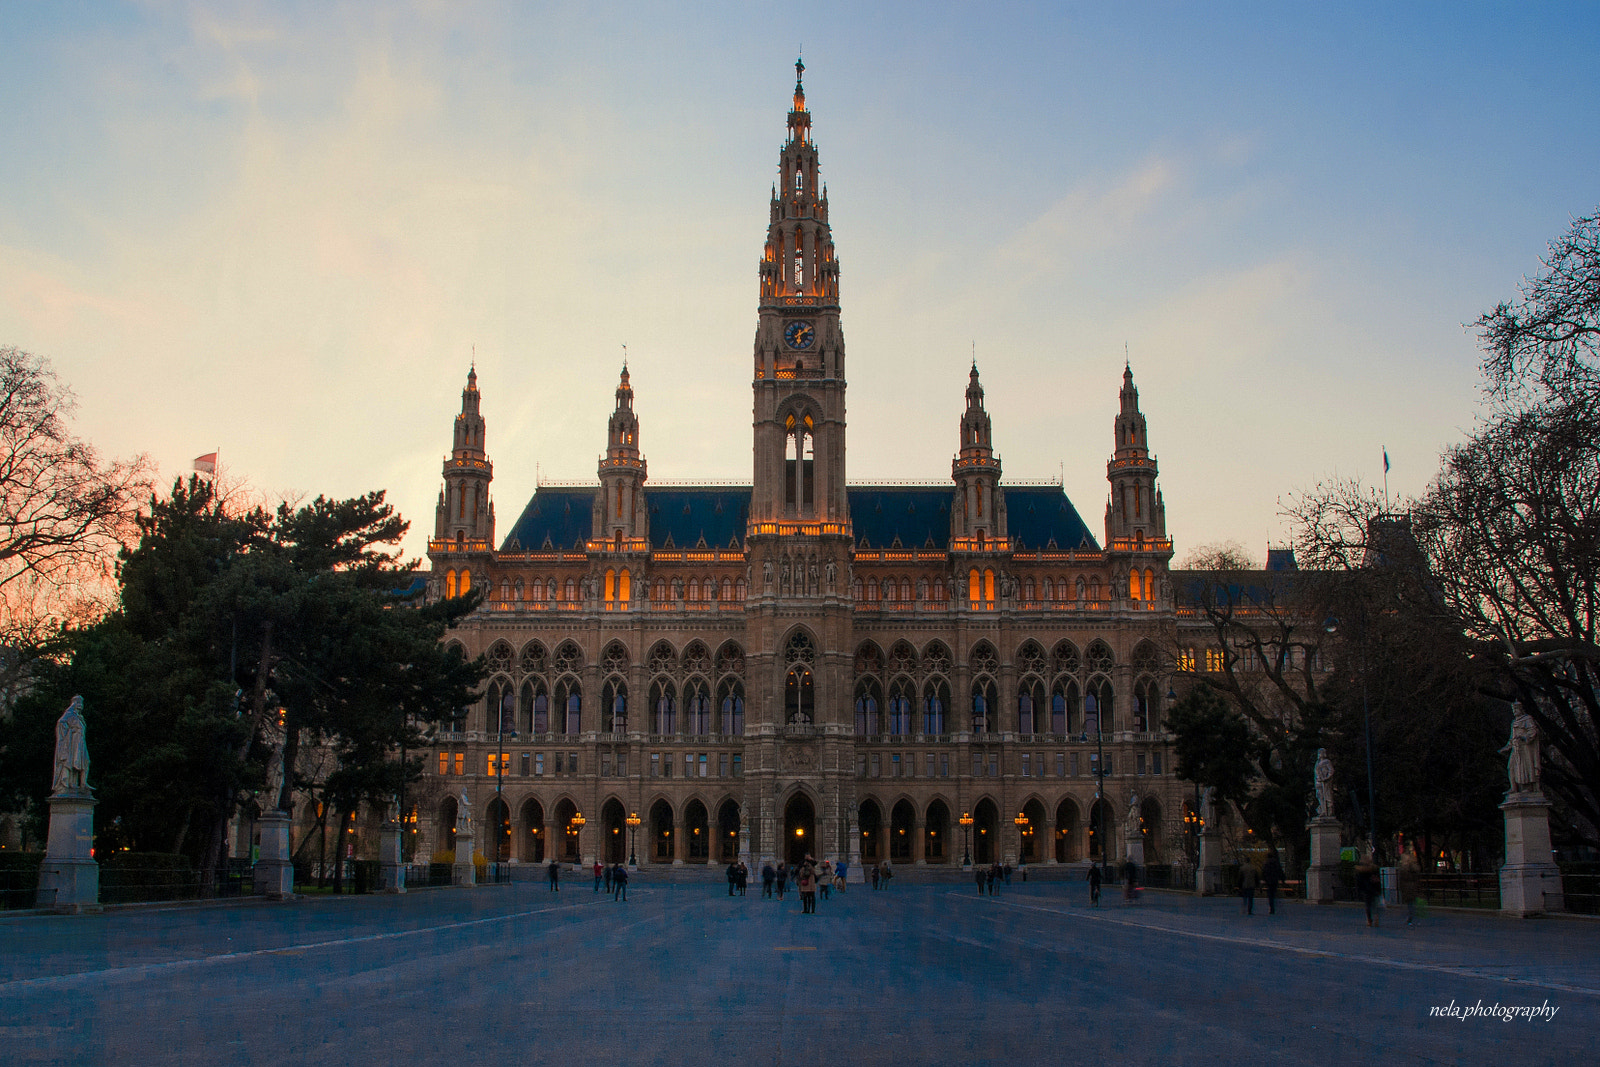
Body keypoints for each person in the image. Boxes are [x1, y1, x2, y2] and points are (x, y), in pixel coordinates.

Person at [1355, 856, 1382, 927]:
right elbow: (1377, 881)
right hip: (1373, 889)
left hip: (1366, 890)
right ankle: (1375, 918)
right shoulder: (1373, 869)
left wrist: (1359, 890)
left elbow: (1359, 882)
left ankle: (1369, 920)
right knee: (1374, 905)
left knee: (1368, 906)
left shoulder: (1360, 871)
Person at [1398, 851, 1423, 926]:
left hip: (1407, 888)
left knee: (1410, 904)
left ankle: (1410, 918)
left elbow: (1402, 879)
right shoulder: (1414, 868)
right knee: (1412, 903)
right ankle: (1412, 918)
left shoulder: (1404, 869)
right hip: (1414, 887)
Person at [1261, 851, 1285, 915]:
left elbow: (1263, 872)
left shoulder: (1266, 863)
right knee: (1274, 893)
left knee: (1270, 895)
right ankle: (1274, 905)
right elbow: (1280, 871)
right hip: (1275, 880)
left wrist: (1264, 880)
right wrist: (1282, 879)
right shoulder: (1276, 863)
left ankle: (1271, 907)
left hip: (1268, 881)